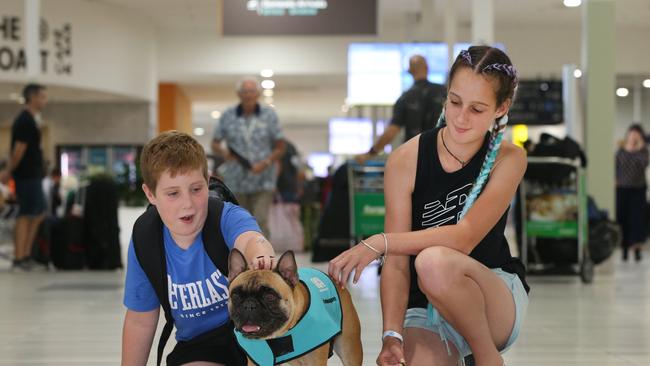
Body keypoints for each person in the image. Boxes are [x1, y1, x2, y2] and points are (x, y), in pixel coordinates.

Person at [329, 46, 529, 366]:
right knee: (425, 267)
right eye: (454, 101)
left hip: (492, 295)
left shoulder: (509, 158)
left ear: (501, 108)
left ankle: (487, 358)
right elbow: (396, 264)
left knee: (433, 261)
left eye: (477, 109)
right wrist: (391, 335)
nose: (461, 118)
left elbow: (463, 238)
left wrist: (381, 241)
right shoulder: (405, 159)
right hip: (425, 307)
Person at [121, 131, 276, 366]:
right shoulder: (146, 239)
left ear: (208, 180)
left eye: (196, 189)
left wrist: (261, 256)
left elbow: (251, 239)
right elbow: (140, 320)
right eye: (173, 193)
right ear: (150, 194)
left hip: (259, 332)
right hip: (202, 344)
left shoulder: (225, 217)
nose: (188, 204)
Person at [211, 77, 286, 236]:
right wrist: (224, 152)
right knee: (239, 221)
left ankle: (264, 259)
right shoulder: (228, 115)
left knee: (260, 219)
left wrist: (266, 162)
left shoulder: (269, 115)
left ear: (258, 94)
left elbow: (280, 147)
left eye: (251, 91)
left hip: (263, 179)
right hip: (236, 180)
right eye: (244, 91)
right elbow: (215, 143)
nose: (248, 95)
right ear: (239, 94)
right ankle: (241, 258)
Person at [356, 54, 446, 164]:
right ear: (427, 68)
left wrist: (370, 153)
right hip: (444, 156)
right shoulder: (444, 92)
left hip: (416, 159)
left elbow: (392, 131)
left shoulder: (405, 98)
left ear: (410, 71)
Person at [0, 83, 48, 271]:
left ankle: (25, 255)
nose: (45, 100)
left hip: (33, 175)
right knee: (26, 213)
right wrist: (8, 171)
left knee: (37, 212)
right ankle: (20, 258)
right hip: (26, 176)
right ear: (33, 97)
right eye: (42, 96)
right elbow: (19, 150)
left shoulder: (31, 120)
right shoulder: (25, 121)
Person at [616, 124, 648, 262]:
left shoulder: (643, 152)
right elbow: (616, 166)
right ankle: (624, 248)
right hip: (622, 189)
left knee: (637, 220)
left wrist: (640, 147)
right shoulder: (621, 151)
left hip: (638, 189)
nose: (633, 136)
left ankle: (637, 249)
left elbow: (644, 164)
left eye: (637, 134)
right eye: (632, 133)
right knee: (623, 218)